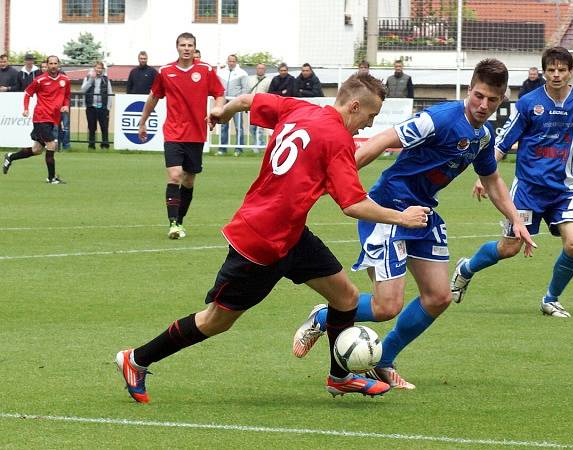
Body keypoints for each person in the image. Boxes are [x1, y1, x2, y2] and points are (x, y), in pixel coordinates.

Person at [114, 73, 432, 403]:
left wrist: (225, 111)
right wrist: (403, 217)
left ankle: (340, 377)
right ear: (354, 106)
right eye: (370, 116)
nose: (368, 125)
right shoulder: (337, 139)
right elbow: (352, 204)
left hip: (291, 233)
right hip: (260, 242)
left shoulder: (301, 108)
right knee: (215, 321)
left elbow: (249, 101)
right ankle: (136, 359)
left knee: (346, 298)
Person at [291, 59, 535, 389]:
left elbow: (491, 180)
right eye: (479, 96)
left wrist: (514, 219)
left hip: (422, 213)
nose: (483, 105)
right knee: (386, 306)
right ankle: (324, 316)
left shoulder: (483, 137)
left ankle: (383, 359)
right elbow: (383, 140)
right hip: (388, 208)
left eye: (492, 100)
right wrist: (334, 178)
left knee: (438, 297)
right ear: (469, 90)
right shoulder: (440, 118)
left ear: (502, 99)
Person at [450, 47, 573, 318]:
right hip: (528, 190)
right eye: (551, 70)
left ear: (571, 72)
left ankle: (551, 299)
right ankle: (466, 268)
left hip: (565, 188)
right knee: (509, 248)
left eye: (562, 69)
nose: (556, 75)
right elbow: (503, 142)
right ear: (544, 72)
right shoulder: (528, 104)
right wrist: (482, 176)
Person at [137, 32, 225, 239]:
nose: (186, 48)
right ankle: (173, 224)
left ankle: (180, 220)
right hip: (173, 132)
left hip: (196, 134)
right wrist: (143, 121)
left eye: (190, 45)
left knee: (189, 181)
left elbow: (219, 93)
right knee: (175, 175)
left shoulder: (205, 70)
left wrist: (217, 110)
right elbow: (154, 97)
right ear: (177, 47)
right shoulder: (166, 71)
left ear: (195, 48)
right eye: (183, 45)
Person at [2, 56, 70, 183]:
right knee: (51, 145)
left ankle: (10, 157)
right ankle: (51, 178)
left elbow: (66, 95)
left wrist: (65, 105)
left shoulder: (65, 80)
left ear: (59, 64)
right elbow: (27, 93)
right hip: (41, 117)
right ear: (47, 65)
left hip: (53, 118)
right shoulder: (40, 80)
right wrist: (26, 108)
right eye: (51, 63)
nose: (53, 66)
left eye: (55, 63)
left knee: (37, 150)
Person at [217, 54, 248, 156]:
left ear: (236, 62)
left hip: (236, 103)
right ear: (227, 61)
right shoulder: (221, 72)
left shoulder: (242, 73)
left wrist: (240, 101)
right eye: (229, 61)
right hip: (224, 102)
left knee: (239, 126)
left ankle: (239, 149)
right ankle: (222, 148)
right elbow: (218, 87)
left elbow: (245, 89)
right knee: (223, 125)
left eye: (233, 61)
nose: (231, 63)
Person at [81, 60, 113, 149]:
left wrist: (108, 107)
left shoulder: (106, 79)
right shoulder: (87, 78)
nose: (99, 70)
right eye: (97, 68)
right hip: (91, 106)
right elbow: (83, 90)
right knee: (92, 127)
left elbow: (110, 93)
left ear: (102, 69)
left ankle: (105, 145)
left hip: (103, 107)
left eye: (101, 68)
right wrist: (91, 79)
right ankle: (91, 145)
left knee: (104, 127)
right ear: (94, 68)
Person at [245, 63, 270, 150]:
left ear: (265, 70)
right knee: (252, 128)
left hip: (261, 106)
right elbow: (247, 92)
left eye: (262, 68)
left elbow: (269, 93)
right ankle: (256, 143)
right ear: (256, 69)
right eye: (259, 68)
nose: (260, 70)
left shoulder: (268, 81)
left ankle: (258, 146)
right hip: (251, 106)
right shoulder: (250, 80)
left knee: (260, 128)